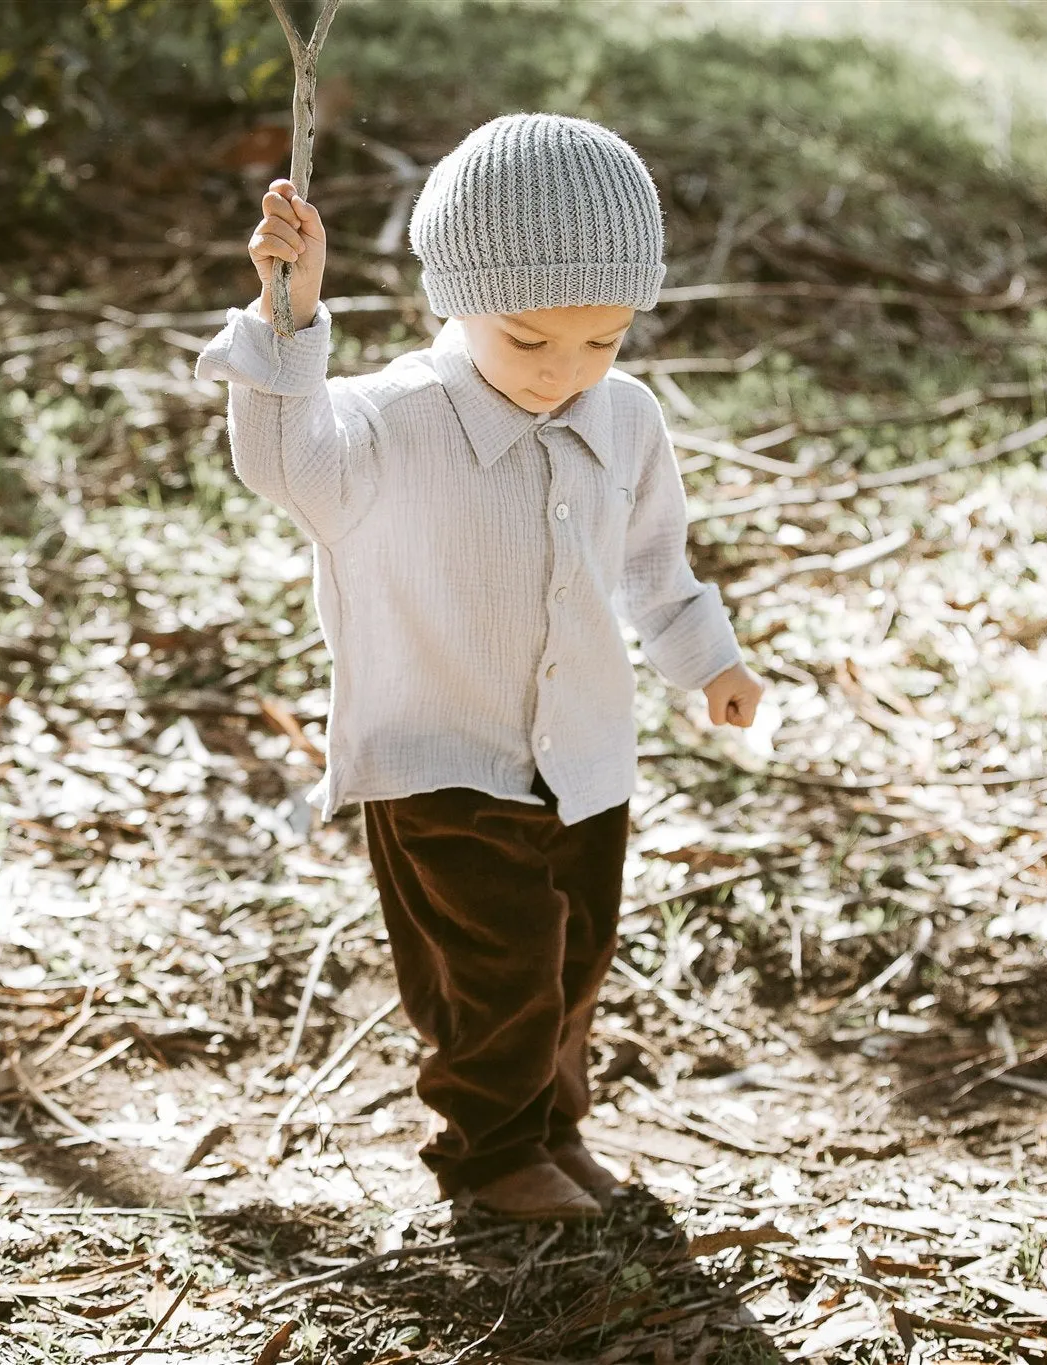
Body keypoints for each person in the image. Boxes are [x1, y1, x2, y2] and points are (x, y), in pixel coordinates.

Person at [195, 112, 764, 1221]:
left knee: (574, 958)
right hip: (437, 754)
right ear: (453, 299)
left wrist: (711, 663)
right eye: (529, 341)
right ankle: (491, 1156)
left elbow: (654, 565)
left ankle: (550, 1126)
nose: (566, 372)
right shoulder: (389, 422)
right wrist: (288, 311)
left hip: (585, 758)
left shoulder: (628, 420)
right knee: (495, 969)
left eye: (601, 341)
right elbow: (280, 463)